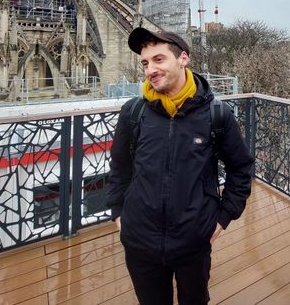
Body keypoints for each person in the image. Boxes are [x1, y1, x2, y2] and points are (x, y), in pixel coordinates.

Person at [104, 27, 253, 305]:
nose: (150, 70)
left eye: (159, 59)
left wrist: (223, 218)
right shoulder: (133, 112)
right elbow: (120, 167)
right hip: (139, 240)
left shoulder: (216, 114)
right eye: (145, 63)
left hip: (193, 240)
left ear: (183, 58)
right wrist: (118, 214)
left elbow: (241, 168)